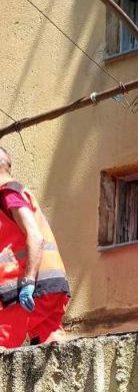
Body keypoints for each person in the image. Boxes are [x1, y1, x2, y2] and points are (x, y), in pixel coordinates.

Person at [0, 147, 70, 347]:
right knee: (49, 342)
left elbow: (35, 237)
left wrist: (28, 282)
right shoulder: (16, 192)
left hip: (32, 289)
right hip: (51, 286)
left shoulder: (8, 193)